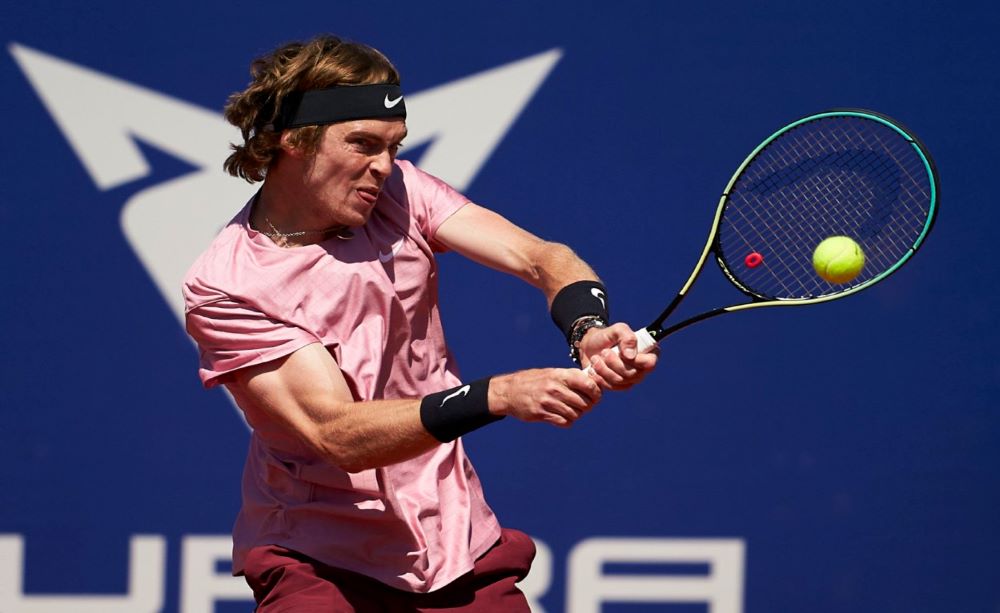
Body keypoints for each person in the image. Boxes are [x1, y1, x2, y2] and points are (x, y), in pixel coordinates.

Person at [183, 34, 658, 612]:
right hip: (321, 562)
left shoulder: (401, 193)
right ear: (292, 141)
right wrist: (500, 394)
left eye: (393, 145)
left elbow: (543, 258)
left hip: (456, 542)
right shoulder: (227, 285)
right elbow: (336, 435)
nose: (383, 166)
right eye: (361, 143)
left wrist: (587, 328)